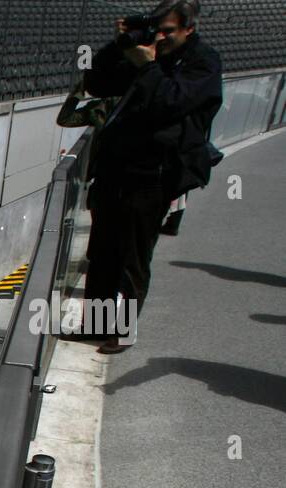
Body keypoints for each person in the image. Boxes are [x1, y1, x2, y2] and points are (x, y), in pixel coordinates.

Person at [81, 0, 223, 353]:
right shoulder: (147, 52)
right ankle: (96, 326)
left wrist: (147, 66)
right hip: (117, 166)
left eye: (168, 31)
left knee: (133, 256)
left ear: (189, 28)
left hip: (155, 174)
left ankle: (121, 331)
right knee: (102, 251)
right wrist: (119, 46)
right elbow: (97, 83)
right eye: (156, 29)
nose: (159, 37)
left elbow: (170, 103)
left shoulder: (202, 62)